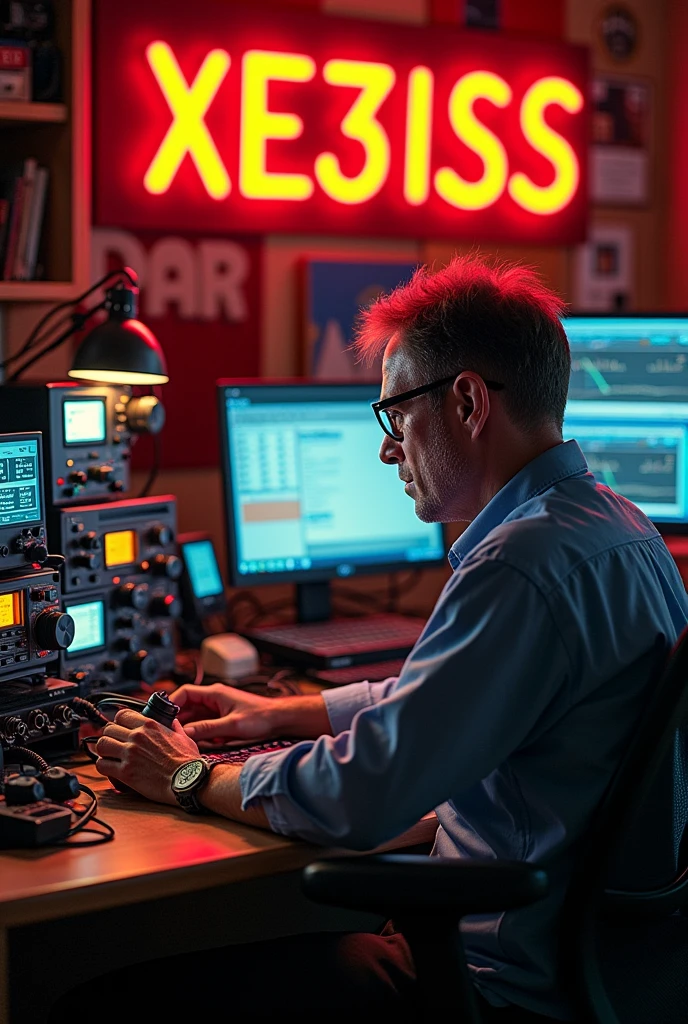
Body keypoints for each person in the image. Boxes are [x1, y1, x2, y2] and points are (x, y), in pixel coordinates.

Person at [52, 255, 688, 1022]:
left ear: (466, 402)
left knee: (88, 1003)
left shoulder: (518, 566)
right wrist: (284, 714)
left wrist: (189, 777)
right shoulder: (620, 529)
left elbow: (363, 796)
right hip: (618, 975)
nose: (388, 449)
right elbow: (453, 701)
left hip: (497, 982)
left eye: (394, 415)